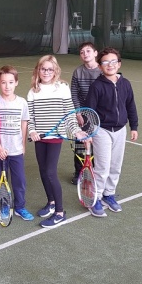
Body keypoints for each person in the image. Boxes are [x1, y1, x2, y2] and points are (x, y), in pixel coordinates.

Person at [27, 55, 87, 229]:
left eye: (50, 69)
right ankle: (51, 202)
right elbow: (30, 116)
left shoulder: (62, 88)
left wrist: (76, 130)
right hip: (40, 138)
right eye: (43, 69)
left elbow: (69, 113)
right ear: (38, 70)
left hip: (55, 138)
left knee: (51, 172)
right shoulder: (33, 91)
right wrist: (32, 131)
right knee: (43, 171)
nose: (46, 72)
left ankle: (60, 213)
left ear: (55, 71)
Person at [84, 47, 138, 218]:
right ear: (100, 66)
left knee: (115, 166)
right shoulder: (96, 86)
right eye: (105, 62)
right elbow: (89, 111)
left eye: (113, 61)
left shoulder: (126, 84)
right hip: (102, 131)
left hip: (120, 130)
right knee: (102, 167)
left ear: (119, 64)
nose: (110, 65)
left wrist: (134, 126)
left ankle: (109, 194)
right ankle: (96, 198)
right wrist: (88, 133)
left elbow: (131, 106)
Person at [0, 65, 34, 221]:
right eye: (3, 82)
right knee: (1, 182)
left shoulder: (22, 102)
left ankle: (20, 207)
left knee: (19, 181)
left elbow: (24, 124)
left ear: (16, 82)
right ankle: (4, 205)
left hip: (16, 151)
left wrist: (22, 145)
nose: (7, 86)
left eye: (10, 82)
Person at [70, 42, 101, 185]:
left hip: (100, 114)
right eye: (82, 52)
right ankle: (79, 173)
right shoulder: (77, 72)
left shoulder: (102, 71)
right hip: (83, 113)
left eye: (88, 51)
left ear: (95, 53)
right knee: (80, 145)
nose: (85, 54)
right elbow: (74, 93)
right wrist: (78, 113)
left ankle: (95, 173)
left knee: (99, 145)